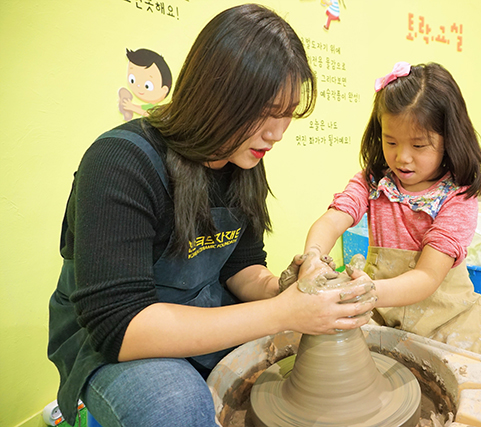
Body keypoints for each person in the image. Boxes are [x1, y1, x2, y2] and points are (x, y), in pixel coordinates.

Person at [47, 4, 375, 426]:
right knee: (176, 405)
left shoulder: (243, 161)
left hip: (199, 308)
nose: (276, 133)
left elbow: (241, 268)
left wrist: (290, 288)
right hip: (109, 339)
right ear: (215, 94)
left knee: (283, 366)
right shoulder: (119, 162)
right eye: (266, 111)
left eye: (286, 114)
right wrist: (284, 312)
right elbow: (119, 327)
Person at [301, 61, 481, 359]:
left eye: (419, 146)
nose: (402, 157)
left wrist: (366, 292)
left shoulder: (457, 197)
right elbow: (332, 220)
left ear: (449, 140)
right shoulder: (373, 181)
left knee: (472, 391)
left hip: (447, 322)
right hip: (382, 313)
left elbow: (428, 277)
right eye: (390, 141)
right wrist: (313, 257)